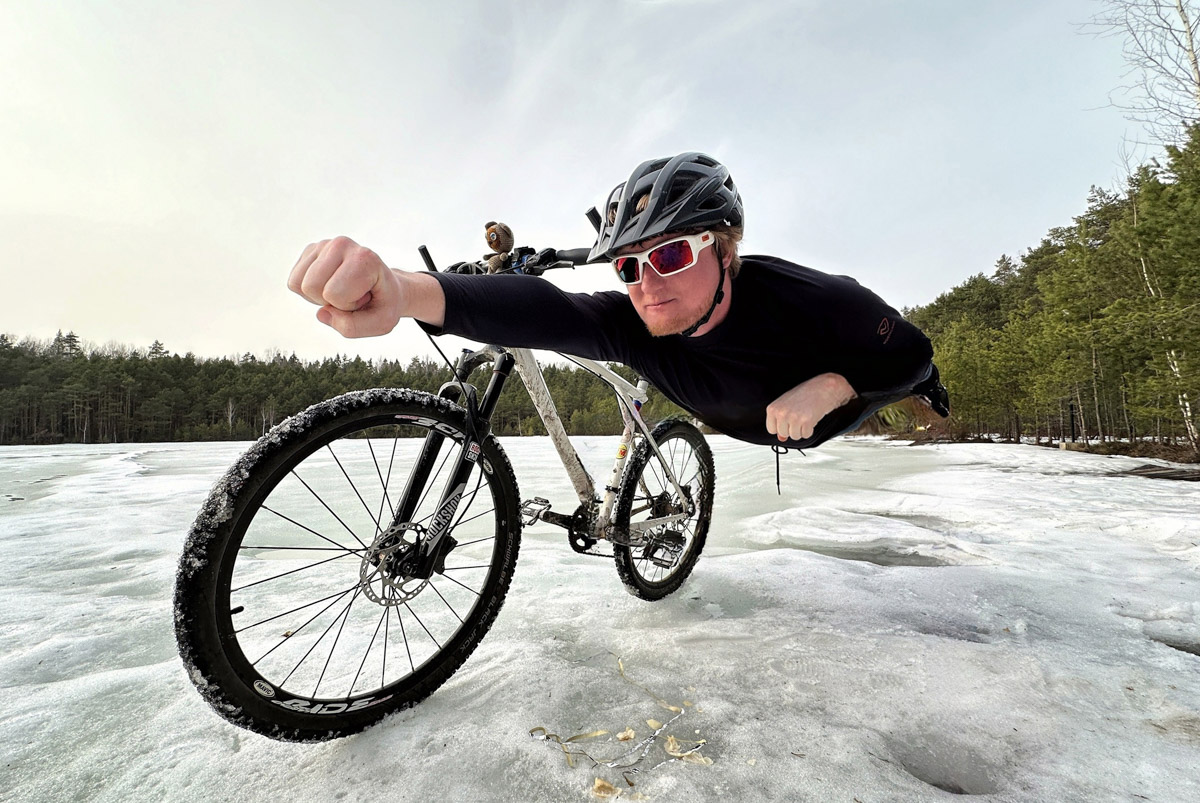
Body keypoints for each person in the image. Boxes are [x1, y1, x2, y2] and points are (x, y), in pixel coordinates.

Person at [288, 152, 948, 449]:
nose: (646, 284)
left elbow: (914, 350)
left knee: (916, 380)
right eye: (630, 266)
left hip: (845, 403)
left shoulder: (805, 298)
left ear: (724, 249)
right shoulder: (637, 326)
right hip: (758, 419)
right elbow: (548, 311)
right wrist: (403, 291)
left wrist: (837, 383)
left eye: (669, 254)